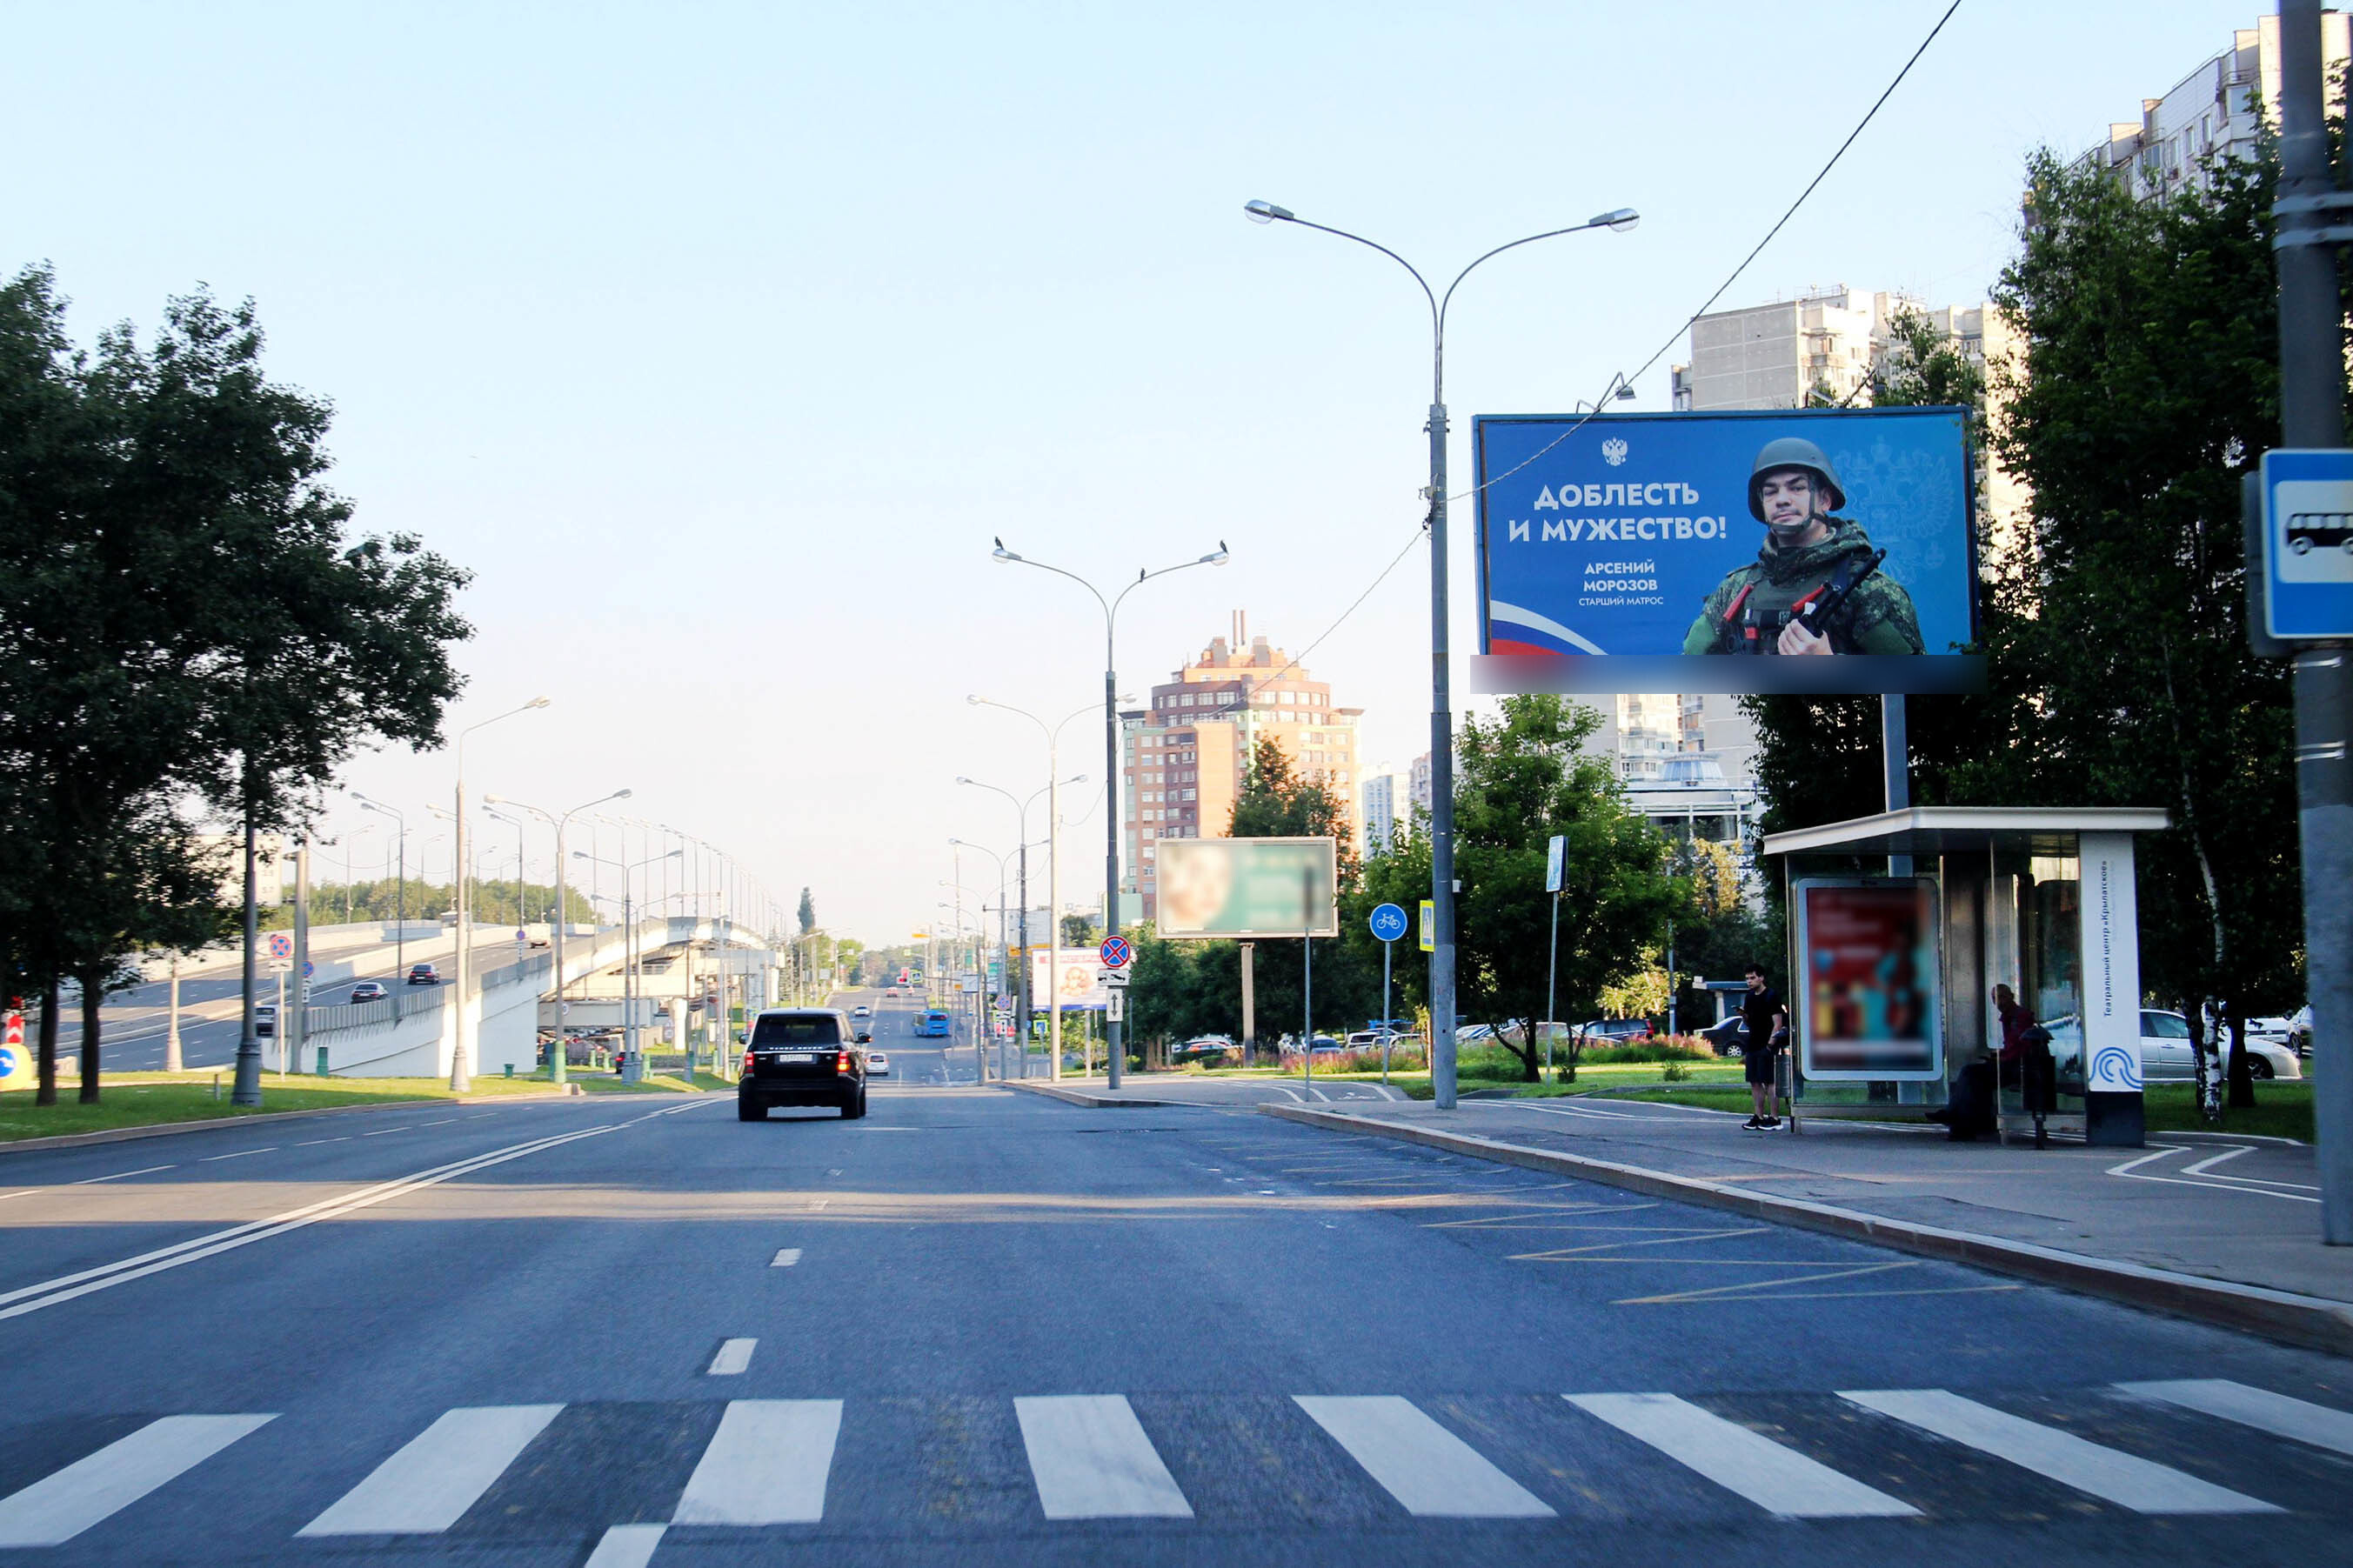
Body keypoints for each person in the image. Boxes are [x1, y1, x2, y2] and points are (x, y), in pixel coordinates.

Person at [1681, 437, 1926, 656]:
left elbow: (1914, 688)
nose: (1782, 500)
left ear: (1825, 499)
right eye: (1770, 492)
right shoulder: (1736, 589)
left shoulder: (1867, 589)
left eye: (1797, 488)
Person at [1739, 964, 1788, 1131]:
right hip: (1753, 1042)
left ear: (1761, 978)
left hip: (1767, 1043)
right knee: (1754, 1081)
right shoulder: (1749, 997)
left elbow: (1777, 1023)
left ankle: (1775, 1118)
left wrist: (1770, 1045)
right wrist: (1744, 1016)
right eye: (1747, 978)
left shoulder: (1771, 996)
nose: (1749, 981)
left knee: (1769, 1081)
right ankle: (1758, 1116)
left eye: (1752, 978)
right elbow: (1749, 1022)